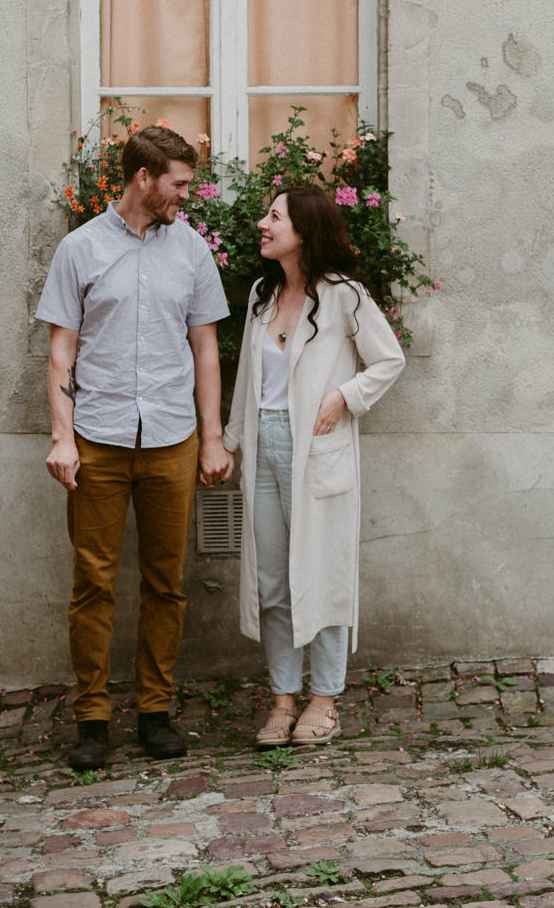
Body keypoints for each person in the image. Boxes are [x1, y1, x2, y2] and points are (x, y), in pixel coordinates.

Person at [36, 124, 233, 771]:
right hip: (98, 437)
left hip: (172, 437)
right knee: (92, 580)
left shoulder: (192, 251)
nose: (187, 192)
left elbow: (205, 347)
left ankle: (154, 709)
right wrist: (62, 437)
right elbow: (61, 347)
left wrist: (213, 438)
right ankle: (92, 717)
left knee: (164, 582)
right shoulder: (80, 249)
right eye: (179, 182)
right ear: (144, 178)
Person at [222, 186, 405, 747]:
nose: (262, 223)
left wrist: (343, 397)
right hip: (264, 446)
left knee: (321, 575)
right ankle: (282, 700)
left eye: (273, 216)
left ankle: (323, 700)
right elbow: (248, 380)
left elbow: (389, 358)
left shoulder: (344, 295)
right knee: (273, 580)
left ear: (303, 230)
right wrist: (228, 443)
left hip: (317, 447)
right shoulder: (261, 293)